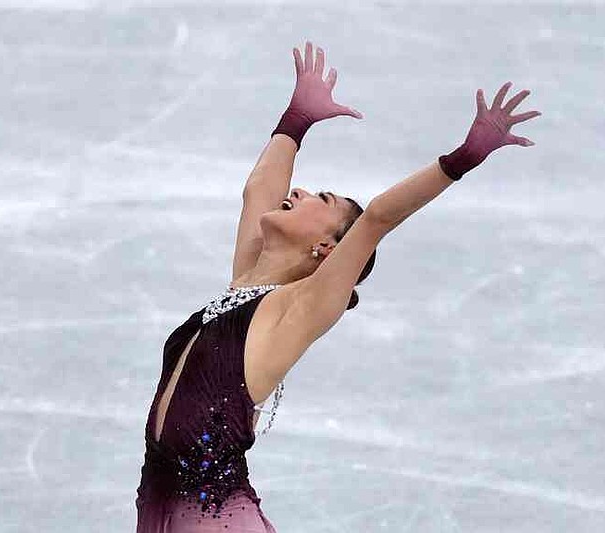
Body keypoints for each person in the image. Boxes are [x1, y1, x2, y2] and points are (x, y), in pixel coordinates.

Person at [135, 40, 541, 532]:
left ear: (326, 249)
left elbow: (377, 218)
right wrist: (295, 120)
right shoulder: (244, 282)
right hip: (160, 500)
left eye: (320, 198)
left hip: (216, 516)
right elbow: (258, 188)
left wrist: (461, 158)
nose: (298, 191)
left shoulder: (298, 308)